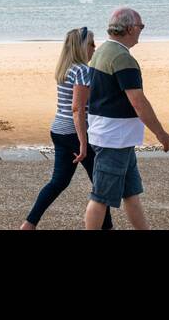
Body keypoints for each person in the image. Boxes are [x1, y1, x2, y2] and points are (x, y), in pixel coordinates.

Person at [83, 7, 169, 231]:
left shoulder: (102, 52)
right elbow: (138, 102)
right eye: (141, 27)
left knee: (131, 193)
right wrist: (161, 134)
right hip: (113, 138)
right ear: (131, 28)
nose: (141, 31)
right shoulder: (123, 58)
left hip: (116, 138)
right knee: (101, 197)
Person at [22, 26, 113, 230]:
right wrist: (82, 142)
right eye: (91, 44)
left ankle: (29, 224)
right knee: (101, 186)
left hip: (59, 130)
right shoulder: (82, 70)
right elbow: (77, 109)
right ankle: (107, 227)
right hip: (75, 133)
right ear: (81, 47)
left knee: (58, 182)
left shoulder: (65, 68)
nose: (95, 47)